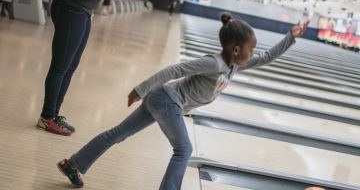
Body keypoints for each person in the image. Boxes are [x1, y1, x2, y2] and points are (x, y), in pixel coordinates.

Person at [57, 13, 309, 188]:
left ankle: (74, 164)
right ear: (235, 49)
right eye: (249, 50)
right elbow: (175, 70)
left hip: (164, 101)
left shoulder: (234, 67)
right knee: (184, 150)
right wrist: (141, 88)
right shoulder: (214, 63)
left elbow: (266, 57)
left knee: (118, 133)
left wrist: (291, 36)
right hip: (166, 100)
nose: (252, 54)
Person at [37, 0, 124, 136]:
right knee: (60, 67)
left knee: (70, 67)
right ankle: (46, 117)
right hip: (70, 9)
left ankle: (53, 115)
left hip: (84, 12)